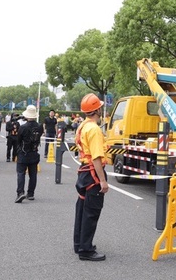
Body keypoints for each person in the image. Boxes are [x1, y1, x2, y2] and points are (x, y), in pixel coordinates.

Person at [73, 93, 109, 262]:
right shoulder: (94, 129)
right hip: (93, 172)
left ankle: (79, 243)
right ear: (97, 109)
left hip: (84, 171)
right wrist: (103, 181)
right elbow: (96, 157)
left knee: (82, 208)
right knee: (91, 212)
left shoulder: (83, 126)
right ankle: (85, 250)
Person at [14, 105, 43, 203]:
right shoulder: (39, 126)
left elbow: (18, 140)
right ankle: (31, 193)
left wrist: (17, 152)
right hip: (34, 152)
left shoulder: (23, 127)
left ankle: (20, 192)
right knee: (33, 174)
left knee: (21, 173)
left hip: (23, 152)